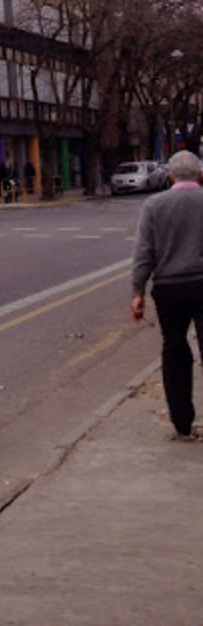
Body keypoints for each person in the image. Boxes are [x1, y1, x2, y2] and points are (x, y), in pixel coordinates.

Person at [131, 149, 203, 439]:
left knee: (174, 349)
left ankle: (182, 423)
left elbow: (143, 252)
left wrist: (138, 291)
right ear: (200, 175)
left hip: (169, 288)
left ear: (170, 176)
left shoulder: (154, 205)